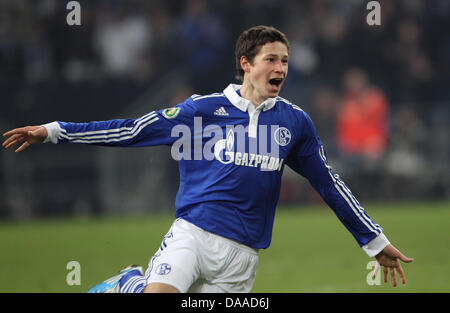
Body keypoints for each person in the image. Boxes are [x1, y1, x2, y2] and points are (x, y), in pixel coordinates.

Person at [2, 25, 413, 293]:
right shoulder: (202, 110)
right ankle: (128, 283)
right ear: (246, 64)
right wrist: (56, 131)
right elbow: (131, 130)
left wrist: (373, 241)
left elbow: (329, 183)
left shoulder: (295, 124)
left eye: (284, 60)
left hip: (242, 258)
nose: (280, 68)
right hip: (193, 235)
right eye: (271, 59)